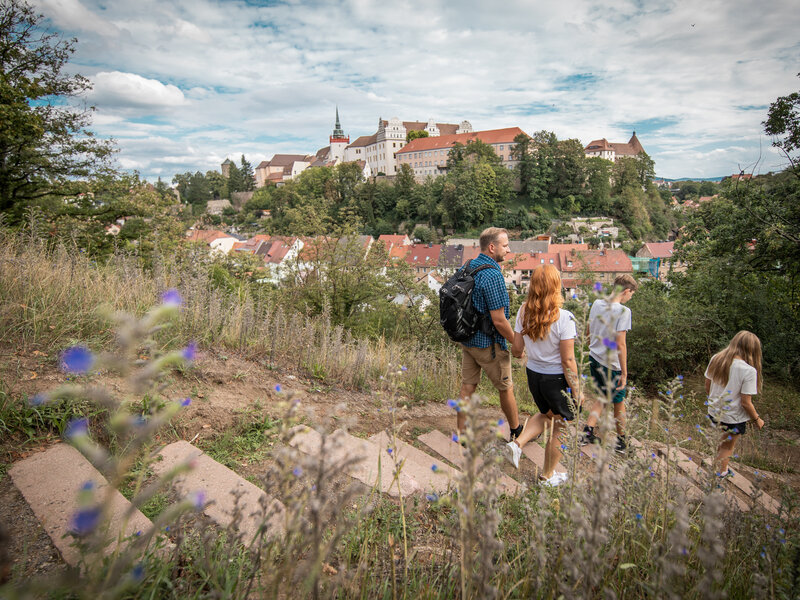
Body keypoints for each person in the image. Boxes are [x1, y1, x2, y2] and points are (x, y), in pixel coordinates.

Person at [504, 265, 582, 486]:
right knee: (562, 426)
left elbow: (517, 349)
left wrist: (529, 351)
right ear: (556, 286)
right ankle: (547, 476)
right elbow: (568, 360)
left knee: (546, 414)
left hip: (534, 375)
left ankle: (517, 444)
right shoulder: (565, 318)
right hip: (556, 378)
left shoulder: (523, 312)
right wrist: (576, 389)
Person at [457, 227, 522, 439]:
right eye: (505, 246)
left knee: (468, 387)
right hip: (489, 345)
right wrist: (516, 343)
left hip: (468, 340)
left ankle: (462, 434)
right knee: (505, 387)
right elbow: (499, 320)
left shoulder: (468, 266)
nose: (508, 250)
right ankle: (516, 430)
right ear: (492, 247)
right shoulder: (492, 275)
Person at [581, 274, 638, 453]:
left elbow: (589, 329)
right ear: (627, 291)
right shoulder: (623, 311)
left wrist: (590, 345)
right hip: (611, 364)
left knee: (602, 396)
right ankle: (622, 442)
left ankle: (587, 432)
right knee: (618, 402)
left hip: (595, 357)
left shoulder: (598, 304)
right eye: (631, 295)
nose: (630, 298)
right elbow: (621, 343)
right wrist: (624, 372)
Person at [705, 330, 764, 477]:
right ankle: (720, 475)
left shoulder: (717, 359)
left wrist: (715, 401)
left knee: (719, 442)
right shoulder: (748, 370)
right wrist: (757, 419)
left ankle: (718, 468)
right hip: (733, 417)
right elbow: (746, 403)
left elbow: (708, 385)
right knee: (727, 446)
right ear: (753, 350)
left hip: (714, 412)